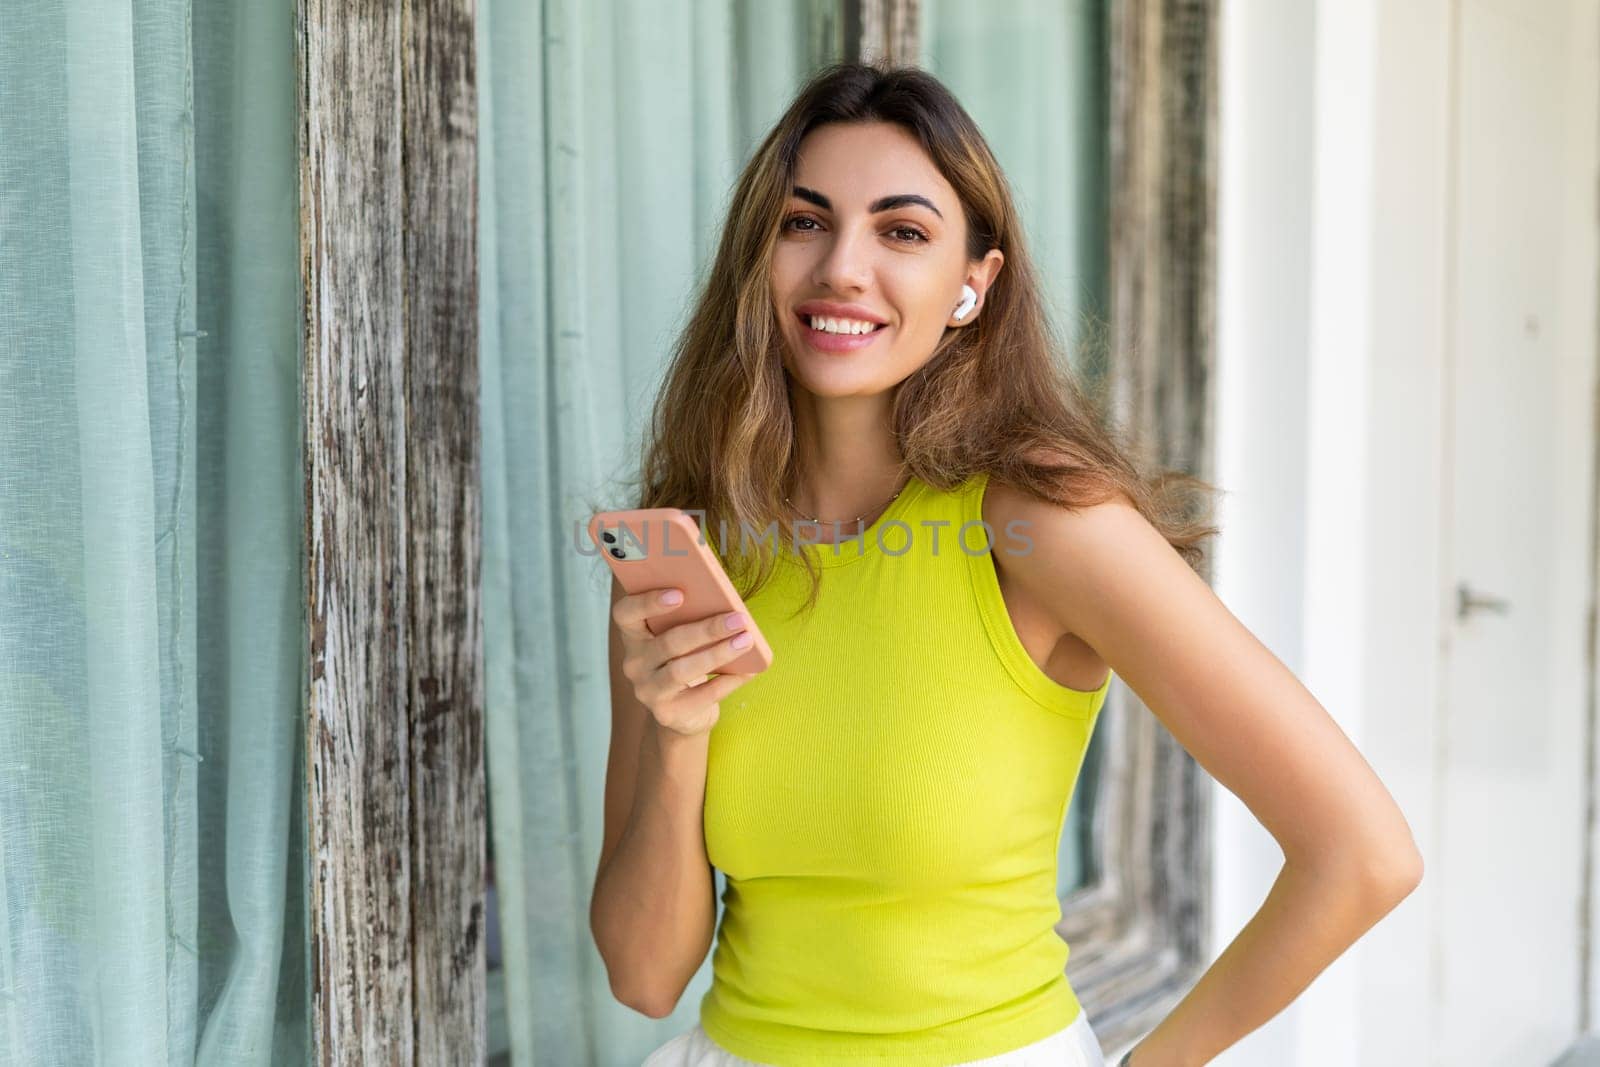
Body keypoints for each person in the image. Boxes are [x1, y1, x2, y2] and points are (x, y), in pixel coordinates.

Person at [589, 61, 1423, 1067]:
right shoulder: (697, 548)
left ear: (972, 285)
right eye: (803, 222)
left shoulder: (1040, 526)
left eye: (901, 232)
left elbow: (1361, 853)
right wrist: (679, 738)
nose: (842, 268)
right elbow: (642, 974)